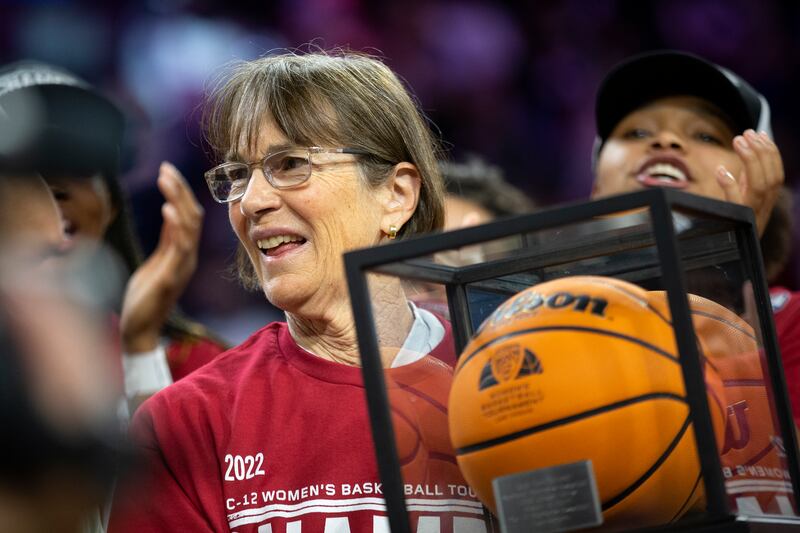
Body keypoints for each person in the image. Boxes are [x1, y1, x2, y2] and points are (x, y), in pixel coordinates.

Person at [108, 50, 489, 532]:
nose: (252, 201)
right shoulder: (187, 421)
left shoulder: (504, 376)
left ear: (396, 197)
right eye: (239, 175)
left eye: (290, 164)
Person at [590, 50, 795, 516]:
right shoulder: (536, 315)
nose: (664, 140)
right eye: (636, 132)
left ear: (761, 174)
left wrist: (727, 258)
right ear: (596, 187)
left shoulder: (795, 322)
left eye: (705, 134)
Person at [0, 61, 227, 408]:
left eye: (76, 166)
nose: (50, 194)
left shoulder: (197, 366)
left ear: (113, 203)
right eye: (23, 175)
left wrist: (141, 351)